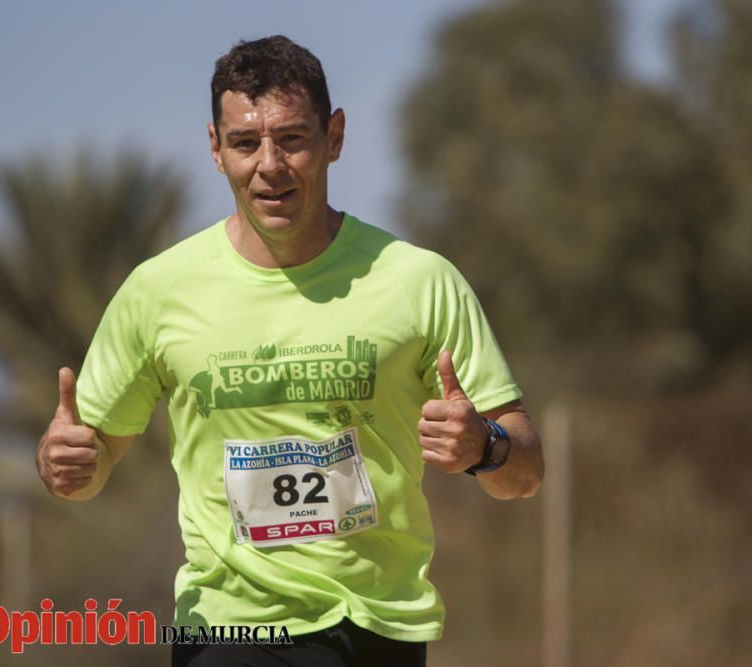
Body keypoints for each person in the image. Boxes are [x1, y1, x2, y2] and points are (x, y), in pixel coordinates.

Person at [36, 35, 543, 667]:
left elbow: (525, 473)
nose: (269, 164)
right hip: (228, 631)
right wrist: (62, 465)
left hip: (378, 626)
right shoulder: (158, 291)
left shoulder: (418, 281)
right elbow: (86, 466)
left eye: (293, 139)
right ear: (216, 150)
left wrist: (484, 447)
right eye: (246, 143)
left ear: (334, 138)